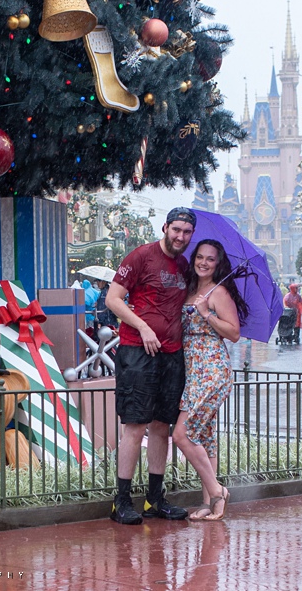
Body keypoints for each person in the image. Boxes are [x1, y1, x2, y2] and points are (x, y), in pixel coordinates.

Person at [105, 206, 196, 525]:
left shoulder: (185, 266)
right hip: (137, 352)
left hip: (172, 354)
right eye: (177, 230)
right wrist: (143, 326)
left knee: (161, 427)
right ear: (165, 227)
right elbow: (113, 299)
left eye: (187, 232)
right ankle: (121, 502)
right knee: (135, 425)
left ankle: (153, 500)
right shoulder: (140, 256)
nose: (181, 237)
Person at [172, 239, 247, 521]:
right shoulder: (193, 289)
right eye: (200, 257)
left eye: (210, 259)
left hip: (212, 370)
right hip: (194, 371)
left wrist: (206, 314)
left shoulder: (219, 293)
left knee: (182, 434)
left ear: (219, 263)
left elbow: (234, 333)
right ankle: (210, 504)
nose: (204, 262)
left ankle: (217, 491)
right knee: (204, 437)